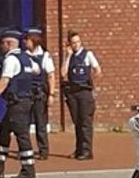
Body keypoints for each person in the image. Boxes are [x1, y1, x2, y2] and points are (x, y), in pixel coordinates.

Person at [0, 29, 40, 178]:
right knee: (4, 132)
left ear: (8, 44)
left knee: (22, 135)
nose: (0, 46)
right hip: (24, 101)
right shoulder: (27, 58)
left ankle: (28, 171)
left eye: (2, 43)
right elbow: (37, 71)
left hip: (17, 103)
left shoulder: (11, 60)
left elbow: (4, 80)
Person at [61, 31, 101, 160]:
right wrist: (67, 56)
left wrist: (91, 82)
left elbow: (98, 70)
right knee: (77, 122)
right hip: (73, 92)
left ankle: (87, 151)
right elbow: (63, 74)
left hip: (84, 92)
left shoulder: (87, 54)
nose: (76, 45)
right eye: (73, 43)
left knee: (85, 122)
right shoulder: (70, 56)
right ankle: (79, 150)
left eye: (78, 42)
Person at [24, 28, 54, 159]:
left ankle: (43, 151)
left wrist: (51, 95)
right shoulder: (23, 55)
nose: (25, 42)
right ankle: (26, 149)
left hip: (39, 94)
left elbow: (51, 76)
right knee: (24, 124)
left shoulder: (45, 56)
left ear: (34, 41)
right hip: (25, 94)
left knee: (40, 123)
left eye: (27, 40)